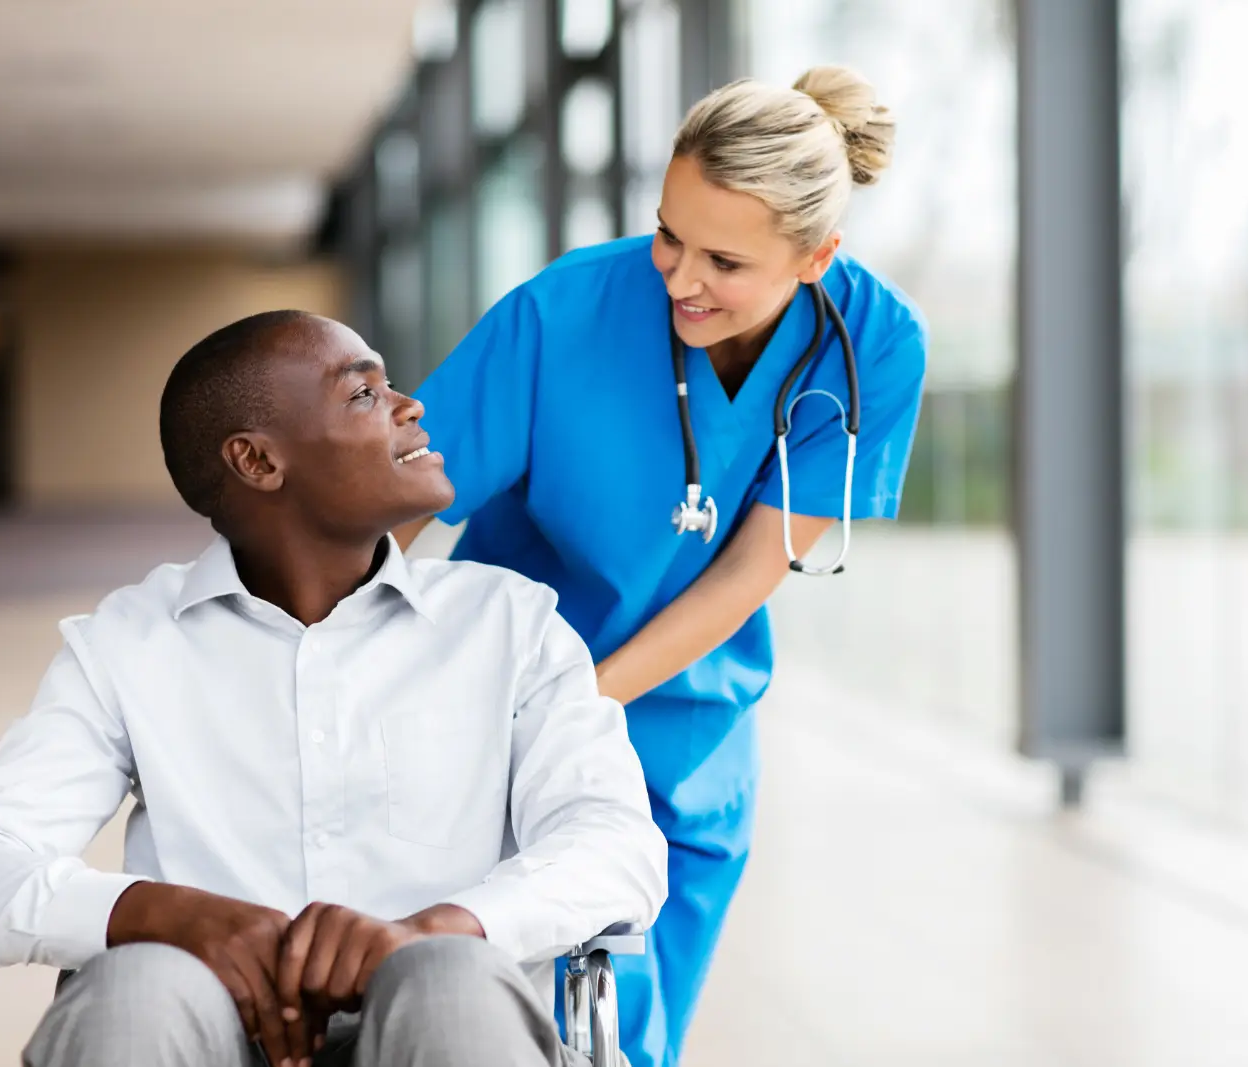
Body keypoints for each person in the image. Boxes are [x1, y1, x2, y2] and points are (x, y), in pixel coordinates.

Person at [0, 310, 668, 1067]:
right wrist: (159, 912)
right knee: (134, 986)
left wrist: (437, 930)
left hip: (450, 1032)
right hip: (207, 1035)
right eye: (363, 394)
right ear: (259, 462)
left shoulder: (510, 621)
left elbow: (618, 846)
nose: (411, 406)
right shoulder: (128, 642)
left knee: (448, 979)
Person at [395, 66, 928, 1067]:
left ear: (817, 257)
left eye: (724, 260)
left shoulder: (876, 343)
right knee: (496, 1017)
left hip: (685, 720)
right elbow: (389, 508)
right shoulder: (563, 314)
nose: (679, 277)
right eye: (667, 233)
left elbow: (743, 575)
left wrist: (582, 704)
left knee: (631, 1038)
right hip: (500, 706)